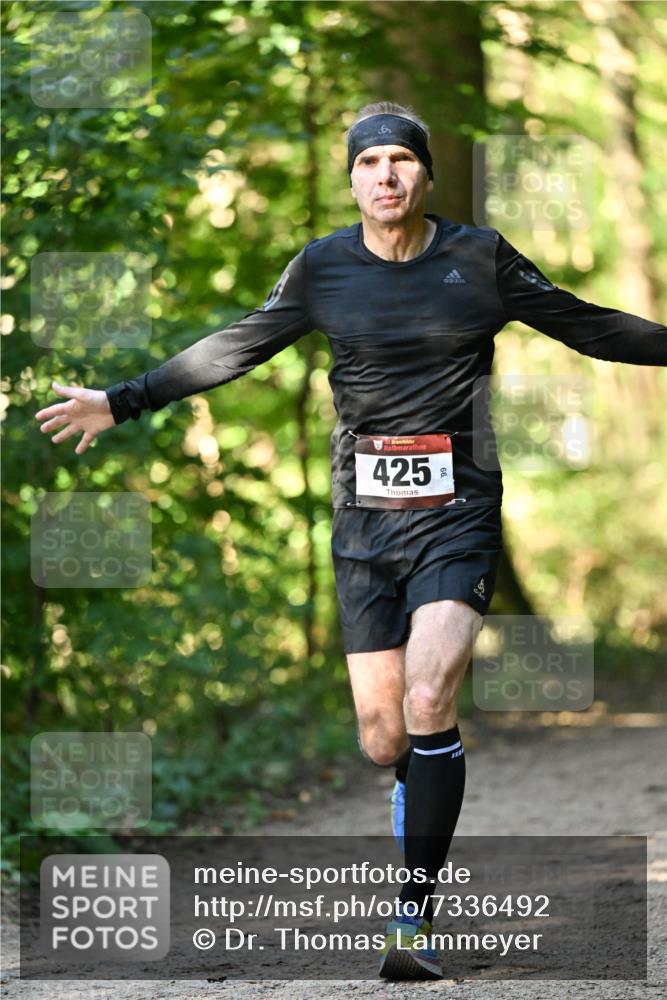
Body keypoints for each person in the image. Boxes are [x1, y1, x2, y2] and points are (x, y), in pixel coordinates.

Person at [35, 101, 667, 981]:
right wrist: (121, 398)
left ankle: (410, 925)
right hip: (364, 523)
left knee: (430, 689)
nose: (384, 176)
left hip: (457, 508)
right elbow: (237, 346)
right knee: (382, 738)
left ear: (425, 175)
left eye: (400, 161)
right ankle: (415, 816)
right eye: (368, 163)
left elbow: (591, 324)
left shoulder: (478, 258)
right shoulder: (322, 268)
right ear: (352, 179)